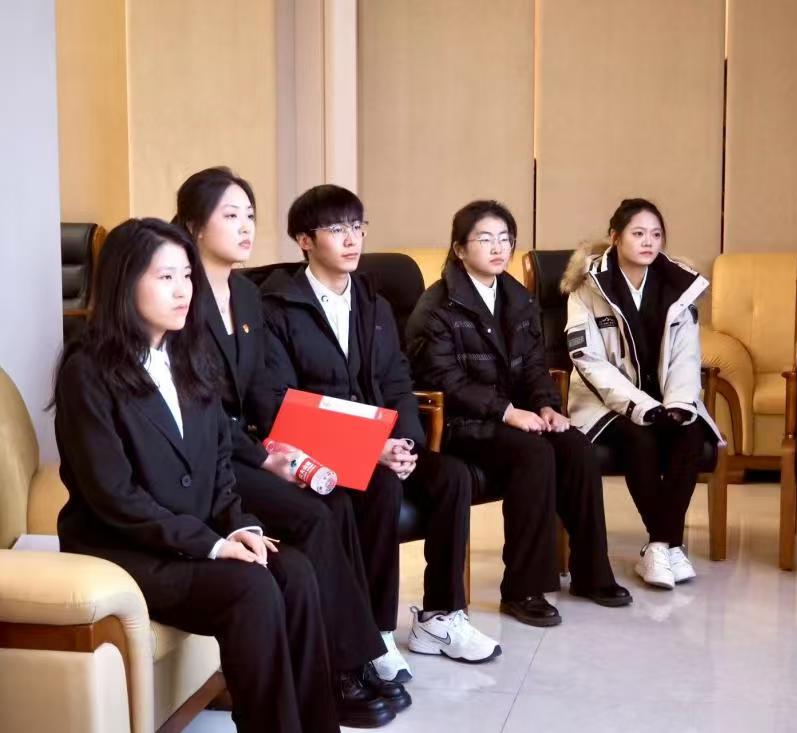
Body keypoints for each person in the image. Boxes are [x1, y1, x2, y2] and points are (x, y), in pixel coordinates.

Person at [53, 218, 338, 733]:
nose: (183, 290)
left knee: (294, 571)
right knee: (250, 588)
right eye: (166, 277)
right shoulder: (87, 371)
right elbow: (114, 496)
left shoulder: (189, 358)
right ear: (123, 282)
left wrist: (240, 525)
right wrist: (211, 544)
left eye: (187, 275)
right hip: (126, 551)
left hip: (188, 540)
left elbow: (219, 466)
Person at [173, 166, 406, 727]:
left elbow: (262, 392)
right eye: (230, 215)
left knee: (336, 495)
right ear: (195, 226)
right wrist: (266, 459)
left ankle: (355, 651)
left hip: (250, 444)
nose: (246, 227)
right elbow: (196, 406)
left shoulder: (246, 295)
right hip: (210, 455)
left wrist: (294, 451)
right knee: (315, 514)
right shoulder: (181, 297)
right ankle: (343, 669)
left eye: (250, 215)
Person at [254, 184, 501, 681]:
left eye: (357, 226)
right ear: (305, 240)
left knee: (451, 476)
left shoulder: (373, 302)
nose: (352, 239)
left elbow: (397, 382)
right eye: (337, 229)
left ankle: (440, 617)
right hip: (319, 451)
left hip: (385, 445)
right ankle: (376, 630)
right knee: (382, 483)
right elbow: (282, 404)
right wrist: (372, 448)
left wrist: (405, 442)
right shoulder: (277, 306)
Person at [406, 199, 631, 627]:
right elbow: (445, 381)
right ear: (459, 249)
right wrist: (507, 412)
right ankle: (523, 588)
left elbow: (533, 364)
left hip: (511, 418)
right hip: (458, 424)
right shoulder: (436, 306)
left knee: (575, 447)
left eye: (505, 239)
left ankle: (591, 572)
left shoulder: (517, 297)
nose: (498, 248)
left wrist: (547, 405)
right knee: (534, 454)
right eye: (485, 239)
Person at [560, 198, 722, 590]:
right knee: (641, 437)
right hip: (605, 403)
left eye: (656, 234)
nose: (649, 241)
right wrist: (642, 407)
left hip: (666, 397)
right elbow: (587, 360)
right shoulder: (587, 288)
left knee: (690, 432)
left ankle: (660, 546)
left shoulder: (677, 284)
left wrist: (678, 405)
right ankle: (669, 545)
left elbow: (687, 356)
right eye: (638, 233)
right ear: (615, 237)